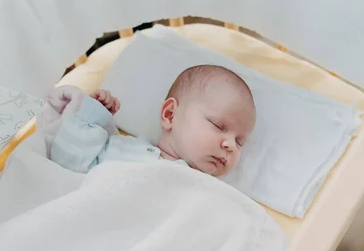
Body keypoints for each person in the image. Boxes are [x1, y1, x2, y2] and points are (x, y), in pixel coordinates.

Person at [39, 64, 256, 177]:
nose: (230, 146)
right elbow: (65, 162)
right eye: (219, 126)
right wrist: (93, 114)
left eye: (239, 142)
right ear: (170, 115)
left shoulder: (209, 193)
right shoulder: (121, 149)